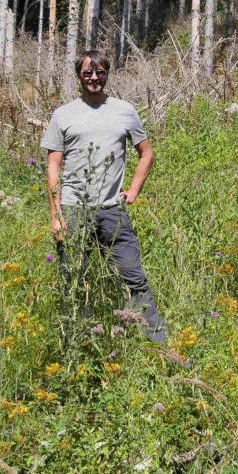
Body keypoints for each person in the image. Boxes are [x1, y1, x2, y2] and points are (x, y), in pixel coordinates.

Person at [42, 49, 169, 346]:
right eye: (88, 73)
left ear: (108, 74)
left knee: (134, 279)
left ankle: (161, 348)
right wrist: (56, 214)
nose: (94, 78)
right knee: (75, 282)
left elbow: (146, 152)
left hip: (113, 211)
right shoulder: (63, 115)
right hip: (73, 210)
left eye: (100, 73)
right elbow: (53, 165)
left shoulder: (124, 111)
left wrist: (134, 190)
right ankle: (78, 347)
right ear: (79, 76)